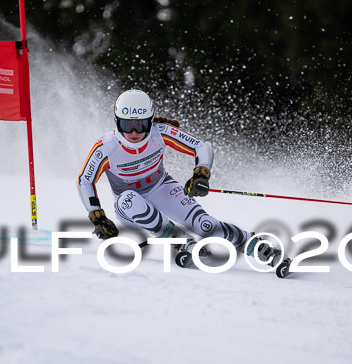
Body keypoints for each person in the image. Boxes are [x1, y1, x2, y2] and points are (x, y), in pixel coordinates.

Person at [76, 89, 287, 267]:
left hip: (161, 188)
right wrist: (98, 217)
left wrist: (201, 174)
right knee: (129, 198)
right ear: (116, 122)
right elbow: (85, 180)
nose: (133, 132)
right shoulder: (107, 147)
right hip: (128, 208)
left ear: (149, 121)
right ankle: (179, 240)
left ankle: (259, 248)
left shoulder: (160, 132)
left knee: (204, 225)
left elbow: (202, 147)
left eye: (140, 125)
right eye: (126, 125)